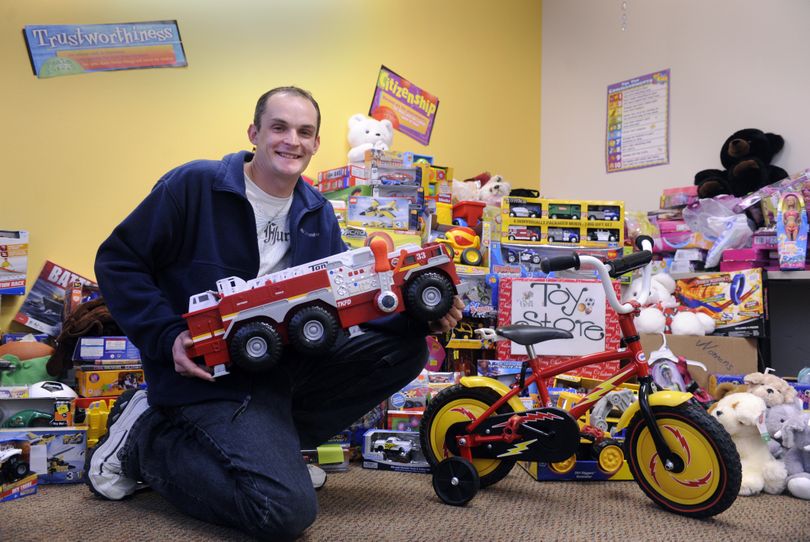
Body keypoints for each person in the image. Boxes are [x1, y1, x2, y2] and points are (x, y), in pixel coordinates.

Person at [88, 86, 463, 541]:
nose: (293, 141)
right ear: (254, 132)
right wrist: (166, 336)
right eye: (279, 127)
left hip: (281, 374)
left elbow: (346, 302)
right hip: (208, 383)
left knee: (405, 349)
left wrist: (418, 315)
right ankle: (146, 439)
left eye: (305, 132)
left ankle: (277, 451)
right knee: (282, 512)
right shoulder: (194, 186)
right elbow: (118, 260)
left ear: (317, 143)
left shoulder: (316, 212)